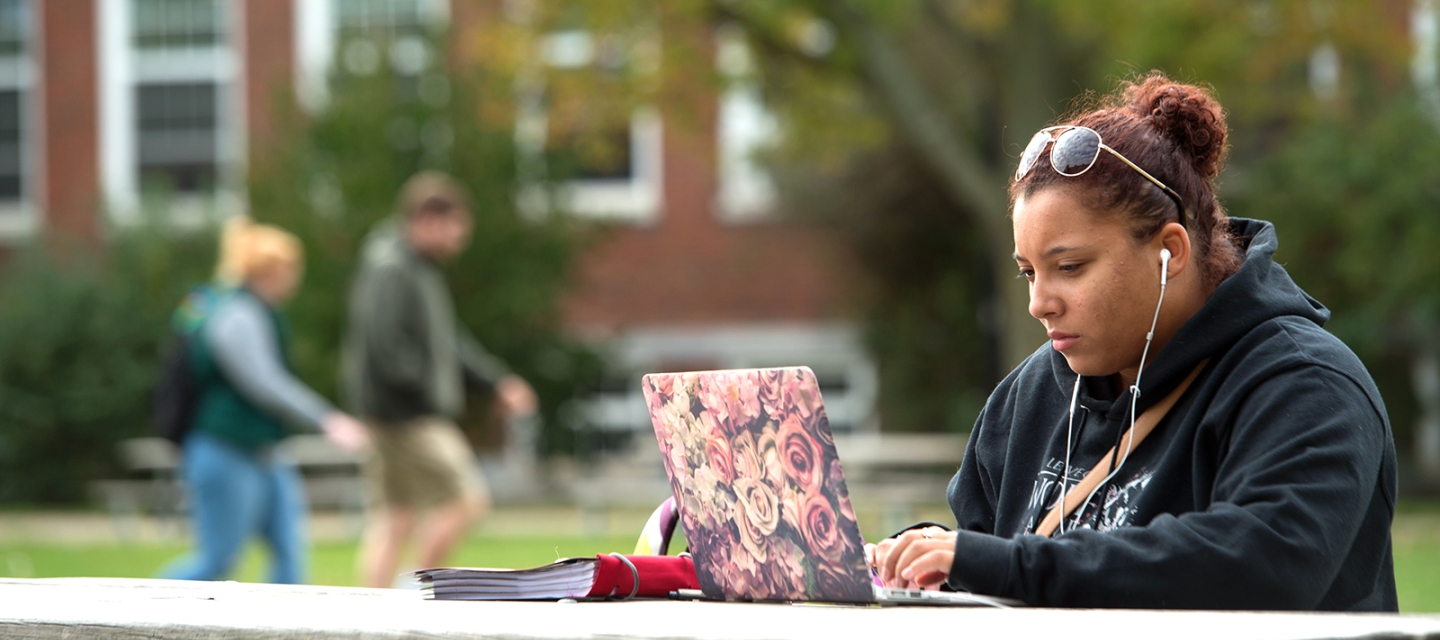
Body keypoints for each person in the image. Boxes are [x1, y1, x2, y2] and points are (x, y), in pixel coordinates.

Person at [872, 72, 1397, 610]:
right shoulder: (1029, 395)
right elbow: (983, 561)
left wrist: (1010, 566)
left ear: (1169, 250)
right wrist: (918, 562)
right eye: (1029, 273)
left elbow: (1261, 565)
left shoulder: (1307, 385)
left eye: (1070, 267)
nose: (1040, 303)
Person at [342, 171, 538, 588]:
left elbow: (448, 347)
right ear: (428, 219)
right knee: (466, 500)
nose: (458, 240)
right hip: (406, 416)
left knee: (395, 516)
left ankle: (370, 615)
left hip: (394, 414)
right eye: (455, 229)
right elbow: (387, 348)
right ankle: (414, 591)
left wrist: (494, 383)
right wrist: (432, 391)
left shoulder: (418, 269)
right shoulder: (392, 268)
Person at [159, 217, 369, 584]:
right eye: (289, 268)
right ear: (266, 271)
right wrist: (326, 419)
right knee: (218, 560)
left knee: (290, 557)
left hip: (266, 452)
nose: (295, 277)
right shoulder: (236, 314)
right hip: (224, 450)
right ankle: (139, 607)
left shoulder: (259, 311)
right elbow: (264, 382)